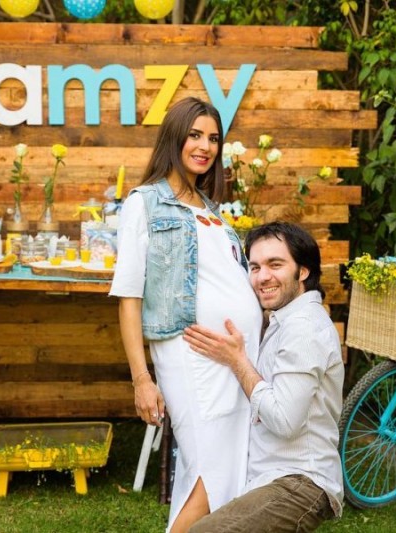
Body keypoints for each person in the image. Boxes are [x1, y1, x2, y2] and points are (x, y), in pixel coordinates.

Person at [109, 97, 263, 532]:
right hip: (191, 358)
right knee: (209, 474)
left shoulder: (210, 207)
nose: (205, 146)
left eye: (213, 138)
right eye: (195, 135)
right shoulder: (144, 203)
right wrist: (142, 380)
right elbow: (129, 296)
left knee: (226, 473)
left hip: (234, 359)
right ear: (174, 137)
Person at [183, 222, 344, 532]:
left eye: (275, 264)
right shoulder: (284, 320)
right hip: (271, 477)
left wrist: (237, 361)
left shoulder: (304, 329)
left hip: (300, 482)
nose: (262, 277)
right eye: (255, 267)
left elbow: (284, 421)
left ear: (303, 271)